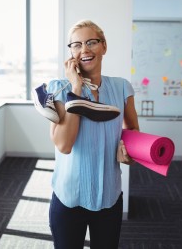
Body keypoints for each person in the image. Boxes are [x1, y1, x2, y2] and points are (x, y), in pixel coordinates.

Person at [46, 19, 140, 249]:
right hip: (69, 198)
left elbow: (133, 132)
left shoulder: (122, 88)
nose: (84, 50)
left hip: (109, 196)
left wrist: (128, 151)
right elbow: (64, 145)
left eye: (91, 42)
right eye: (76, 45)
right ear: (70, 53)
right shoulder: (58, 88)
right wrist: (76, 87)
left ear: (104, 46)